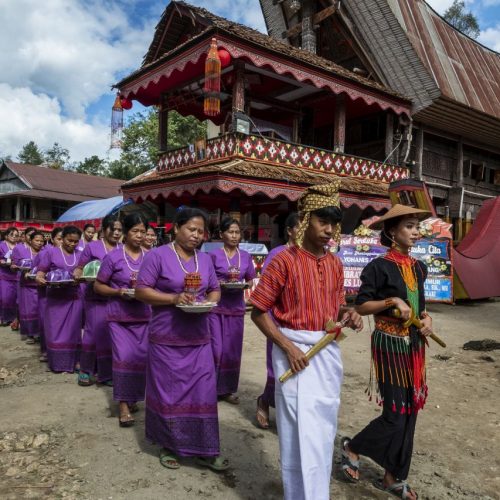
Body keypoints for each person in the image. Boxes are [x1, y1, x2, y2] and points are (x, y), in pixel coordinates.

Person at [250, 182, 363, 500]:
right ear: (305, 220)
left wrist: (349, 313)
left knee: (323, 432)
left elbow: (335, 304)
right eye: (322, 221)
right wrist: (288, 348)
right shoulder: (283, 261)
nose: (329, 230)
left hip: (326, 355)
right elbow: (258, 313)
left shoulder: (335, 263)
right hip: (293, 355)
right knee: (299, 433)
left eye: (334, 223)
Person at [341, 204, 432, 500]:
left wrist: (427, 319)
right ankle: (353, 447)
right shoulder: (378, 267)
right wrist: (392, 300)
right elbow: (362, 306)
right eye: (409, 226)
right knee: (394, 414)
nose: (416, 232)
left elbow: (421, 308)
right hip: (390, 344)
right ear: (392, 232)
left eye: (417, 226)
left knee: (410, 413)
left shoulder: (420, 268)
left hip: (414, 346)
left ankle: (394, 476)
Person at [135, 207, 228, 471]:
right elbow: (142, 291)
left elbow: (214, 289)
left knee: (204, 392)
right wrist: (173, 299)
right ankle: (169, 445)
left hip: (199, 337)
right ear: (176, 228)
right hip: (167, 338)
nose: (197, 235)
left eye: (201, 231)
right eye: (191, 229)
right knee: (169, 393)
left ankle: (206, 449)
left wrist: (209, 302)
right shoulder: (157, 256)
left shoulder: (206, 260)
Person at [94, 214, 151, 427]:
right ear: (126, 233)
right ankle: (123, 405)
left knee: (141, 359)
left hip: (144, 317)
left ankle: (132, 397)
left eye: (143, 232)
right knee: (123, 358)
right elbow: (98, 286)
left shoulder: (151, 257)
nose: (139, 235)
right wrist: (118, 292)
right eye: (135, 231)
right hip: (119, 317)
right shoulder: (113, 257)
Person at [256, 212, 299, 429]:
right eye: (299, 227)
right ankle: (265, 400)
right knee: (277, 369)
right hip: (278, 319)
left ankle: (289, 417)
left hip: (304, 322)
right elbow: (267, 292)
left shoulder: (313, 255)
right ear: (289, 230)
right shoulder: (277, 254)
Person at [208, 217, 256, 405]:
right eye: (231, 232)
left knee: (232, 351)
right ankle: (210, 388)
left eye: (237, 232)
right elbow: (207, 280)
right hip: (216, 308)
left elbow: (251, 279)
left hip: (236, 308)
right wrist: (220, 284)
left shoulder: (245, 256)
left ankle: (227, 389)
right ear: (222, 234)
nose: (235, 236)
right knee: (216, 350)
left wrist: (244, 285)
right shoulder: (213, 256)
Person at [73, 216, 123, 386]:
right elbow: (80, 268)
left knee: (111, 335)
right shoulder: (92, 247)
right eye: (113, 229)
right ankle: (85, 370)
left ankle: (107, 374)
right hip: (95, 297)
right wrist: (78, 275)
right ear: (104, 229)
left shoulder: (124, 249)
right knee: (92, 334)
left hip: (117, 298)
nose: (116, 233)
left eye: (119, 230)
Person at [35, 226, 83, 373]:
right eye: (69, 240)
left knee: (73, 331)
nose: (72, 244)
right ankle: (57, 363)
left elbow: (85, 273)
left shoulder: (81, 254)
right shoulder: (51, 252)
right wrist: (41, 279)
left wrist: (81, 277)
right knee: (55, 332)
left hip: (74, 297)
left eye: (76, 241)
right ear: (62, 239)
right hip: (55, 299)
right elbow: (40, 273)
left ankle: (74, 361)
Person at [34, 227, 63, 362]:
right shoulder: (47, 253)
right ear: (52, 239)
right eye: (59, 239)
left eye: (65, 239)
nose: (62, 242)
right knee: (49, 324)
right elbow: (36, 271)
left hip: (69, 295)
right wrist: (40, 278)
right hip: (48, 293)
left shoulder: (75, 253)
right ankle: (47, 350)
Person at [13, 231, 45, 343]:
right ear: (30, 240)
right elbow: (15, 265)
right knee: (29, 310)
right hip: (27, 285)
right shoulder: (22, 251)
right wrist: (20, 269)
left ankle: (40, 333)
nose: (39, 243)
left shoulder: (46, 252)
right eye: (37, 240)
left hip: (41, 285)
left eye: (41, 241)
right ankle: (31, 333)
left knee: (40, 310)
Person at [10, 227, 37, 338]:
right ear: (24, 236)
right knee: (23, 305)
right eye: (29, 235)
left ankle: (36, 331)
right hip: (22, 279)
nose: (31, 237)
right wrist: (16, 267)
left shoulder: (42, 248)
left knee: (36, 307)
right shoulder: (19, 248)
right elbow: (13, 265)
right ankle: (26, 329)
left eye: (33, 235)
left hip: (37, 281)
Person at [0, 227, 20, 327]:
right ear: (6, 236)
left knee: (15, 298)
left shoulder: (19, 246)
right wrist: (2, 262)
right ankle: (3, 318)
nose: (14, 237)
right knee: (5, 297)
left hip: (16, 275)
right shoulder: (1, 245)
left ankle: (14, 319)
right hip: (4, 274)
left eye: (16, 235)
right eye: (12, 235)